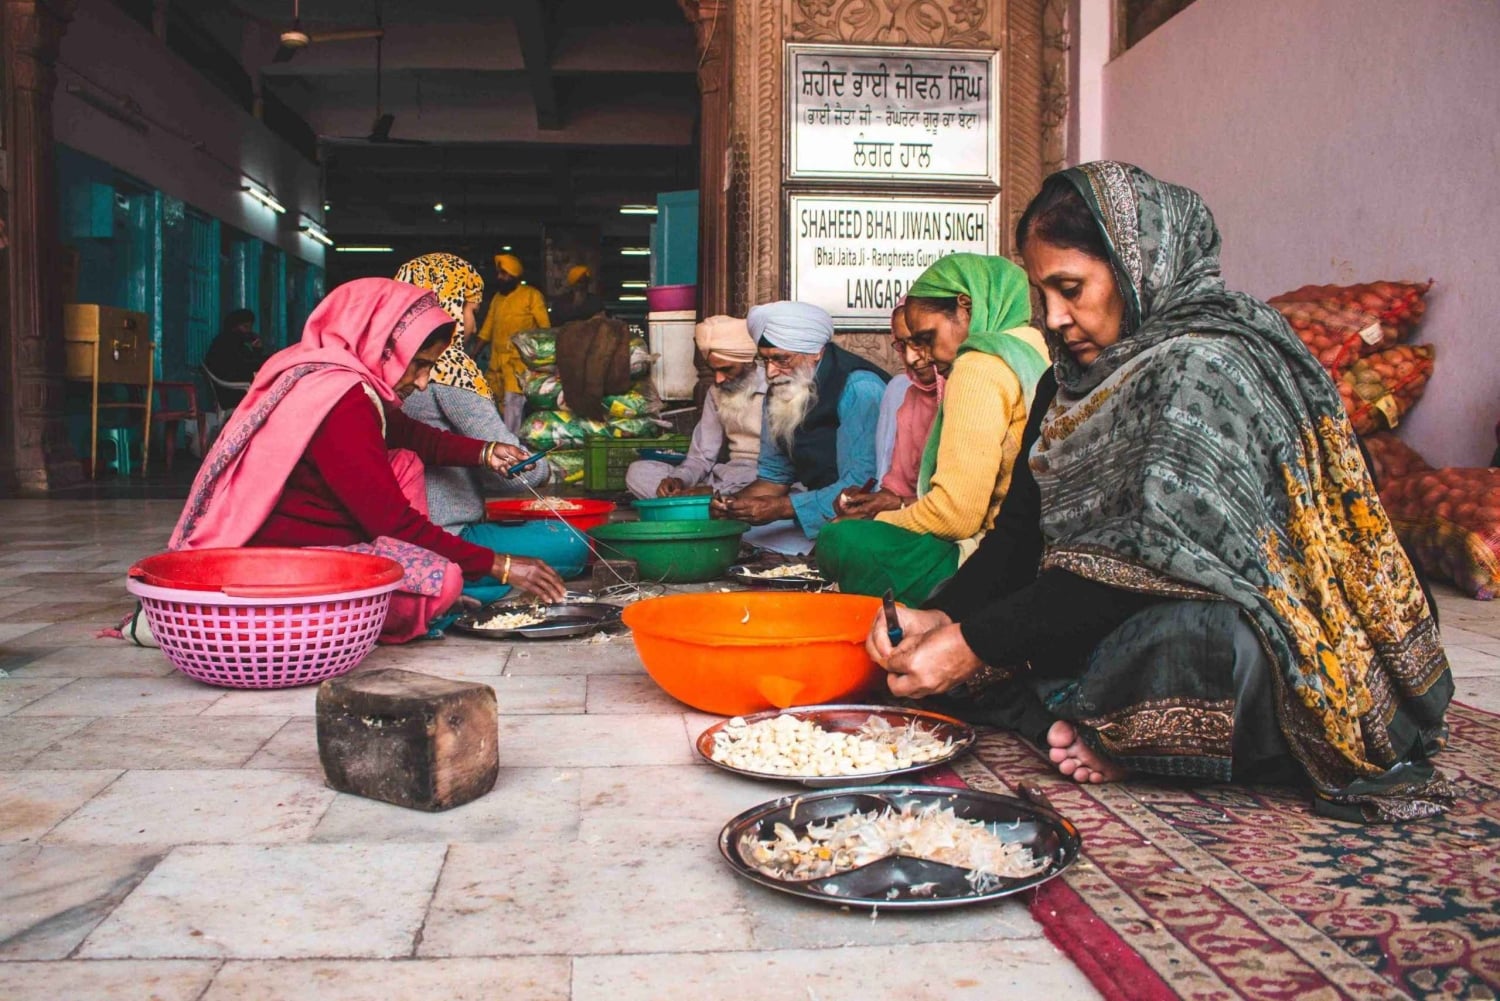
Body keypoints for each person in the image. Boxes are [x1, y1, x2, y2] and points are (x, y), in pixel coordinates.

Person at [866, 162, 1454, 823]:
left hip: (1267, 617)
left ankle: (1130, 730)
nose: (1055, 318)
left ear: (1139, 266)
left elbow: (1143, 571)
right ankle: (1116, 723)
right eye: (1042, 294)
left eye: (1071, 288)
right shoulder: (1065, 384)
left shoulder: (1210, 365)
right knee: (1030, 639)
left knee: (1205, 648)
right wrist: (942, 616)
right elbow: (1018, 537)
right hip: (1115, 605)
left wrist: (973, 642)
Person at [169, 278, 566, 644]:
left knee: (405, 460)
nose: (424, 381)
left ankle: (401, 588)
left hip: (329, 536)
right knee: (444, 581)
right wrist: (502, 565)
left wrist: (483, 451)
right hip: (290, 564)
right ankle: (371, 612)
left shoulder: (337, 379)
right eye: (420, 364)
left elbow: (405, 433)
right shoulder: (342, 401)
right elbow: (391, 520)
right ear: (382, 346)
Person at [820, 254, 1049, 604]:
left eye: (927, 337)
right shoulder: (1032, 349)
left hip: (986, 559)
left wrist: (876, 522)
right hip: (1036, 551)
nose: (921, 356)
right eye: (910, 344)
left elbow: (956, 516)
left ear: (966, 307)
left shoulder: (977, 366)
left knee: (840, 540)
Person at [394, 253, 583, 603]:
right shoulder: (449, 367)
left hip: (399, 540)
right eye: (469, 309)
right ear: (449, 305)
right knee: (572, 542)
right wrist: (544, 466)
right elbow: (512, 472)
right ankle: (455, 585)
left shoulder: (388, 362)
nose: (471, 320)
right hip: (447, 536)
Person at [710, 301, 888, 549]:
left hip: (863, 517)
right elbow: (774, 478)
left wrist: (782, 508)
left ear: (815, 351)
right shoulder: (781, 389)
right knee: (740, 537)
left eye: (781, 359)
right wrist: (732, 505)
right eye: (765, 361)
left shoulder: (859, 387)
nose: (771, 372)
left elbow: (860, 485)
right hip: (817, 513)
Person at [625, 315, 766, 499]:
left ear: (748, 361)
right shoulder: (716, 392)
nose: (718, 379)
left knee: (787, 493)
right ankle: (705, 505)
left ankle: (700, 506)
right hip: (724, 476)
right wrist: (678, 480)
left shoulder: (777, 389)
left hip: (761, 480)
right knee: (638, 472)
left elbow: (784, 472)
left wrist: (716, 492)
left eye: (726, 369)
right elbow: (701, 458)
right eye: (714, 370)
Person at [472, 252, 549, 430]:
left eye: (504, 274)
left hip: (518, 365)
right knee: (493, 404)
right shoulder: (497, 299)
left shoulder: (531, 295)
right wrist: (473, 353)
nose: (500, 277)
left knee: (512, 408)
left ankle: (512, 447)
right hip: (496, 365)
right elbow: (487, 328)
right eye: (499, 273)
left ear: (515, 276)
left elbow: (544, 328)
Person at [203, 309, 269, 406]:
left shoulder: (237, 342)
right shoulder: (226, 342)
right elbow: (242, 365)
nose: (248, 331)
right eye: (245, 327)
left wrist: (257, 350)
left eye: (250, 327)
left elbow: (248, 361)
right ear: (234, 327)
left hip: (235, 387)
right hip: (231, 391)